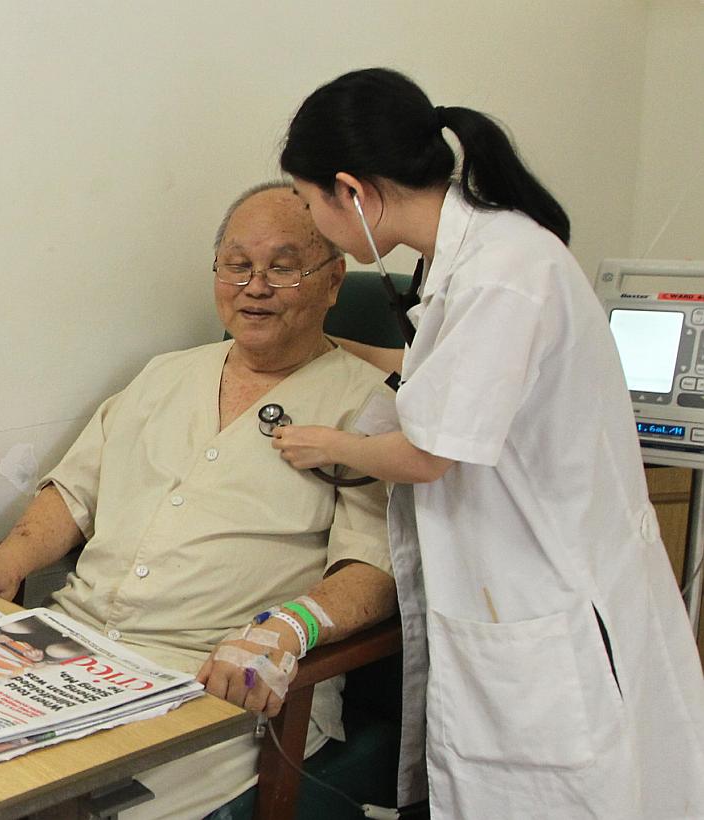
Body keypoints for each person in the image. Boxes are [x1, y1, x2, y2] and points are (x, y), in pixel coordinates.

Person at [0, 182, 398, 820]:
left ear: (334, 280)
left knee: (45, 801)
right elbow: (74, 494)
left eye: (283, 267)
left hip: (217, 679)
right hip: (71, 646)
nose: (254, 286)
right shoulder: (164, 375)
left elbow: (374, 571)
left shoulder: (368, 407)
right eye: (237, 265)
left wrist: (289, 630)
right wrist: (9, 561)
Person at [275, 67, 704, 818]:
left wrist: (323, 444)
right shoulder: (469, 259)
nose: (314, 223)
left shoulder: (503, 272)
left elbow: (430, 453)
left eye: (311, 205)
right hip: (517, 595)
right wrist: (332, 346)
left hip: (550, 604)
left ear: (352, 190)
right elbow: (443, 374)